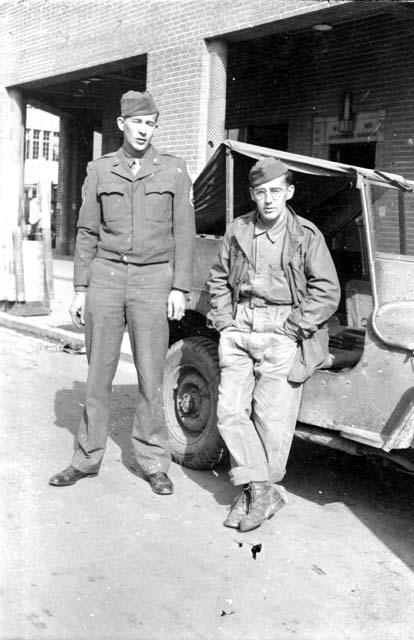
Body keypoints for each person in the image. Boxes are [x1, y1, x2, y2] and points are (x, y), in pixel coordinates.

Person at [49, 91, 195, 495]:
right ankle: (86, 458)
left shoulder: (174, 170)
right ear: (121, 124)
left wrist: (179, 286)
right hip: (107, 278)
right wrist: (80, 288)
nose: (145, 130)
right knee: (98, 376)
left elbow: (185, 232)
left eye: (151, 123)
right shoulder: (100, 170)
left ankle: (152, 460)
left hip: (153, 281)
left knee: (151, 375)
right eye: (137, 123)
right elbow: (87, 231)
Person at [207, 156, 340, 531]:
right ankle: (262, 491)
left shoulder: (305, 235)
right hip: (241, 324)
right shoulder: (238, 230)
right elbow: (218, 278)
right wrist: (224, 320)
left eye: (276, 192)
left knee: (270, 419)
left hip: (284, 328)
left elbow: (327, 290)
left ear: (289, 192)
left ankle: (253, 493)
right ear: (252, 194)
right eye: (261, 192)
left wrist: (295, 327)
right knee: (230, 411)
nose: (268, 200)